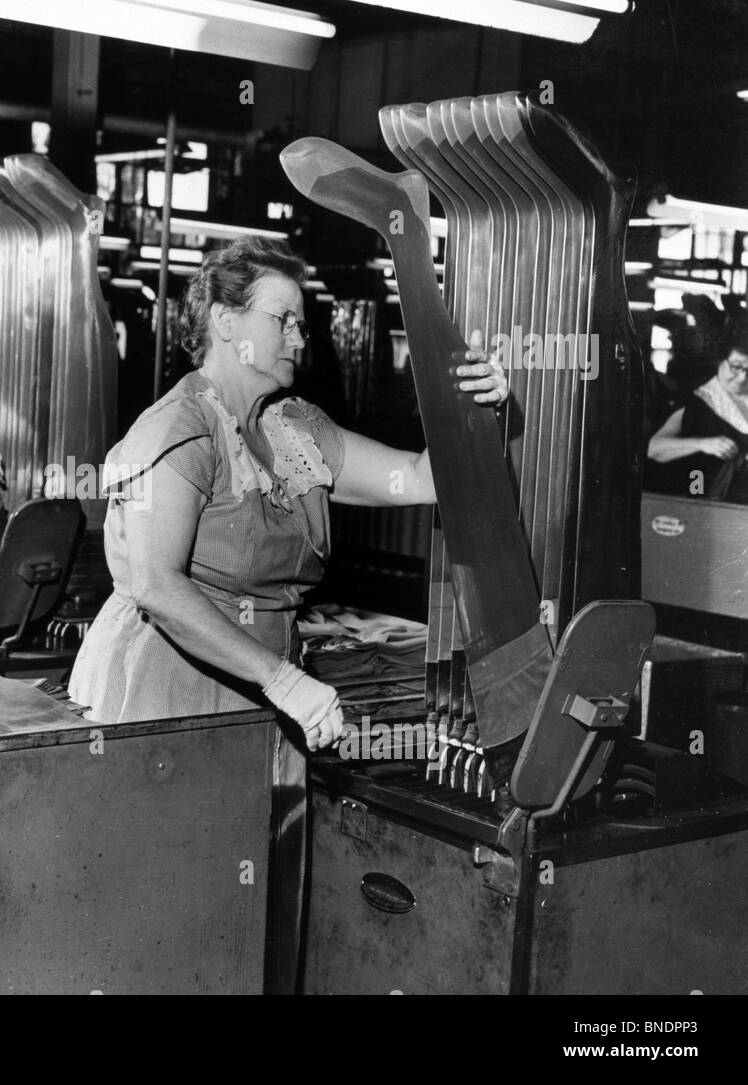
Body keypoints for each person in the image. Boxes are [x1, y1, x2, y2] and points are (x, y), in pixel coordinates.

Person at [67, 237, 506, 991]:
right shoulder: (176, 430)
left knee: (257, 916)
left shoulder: (295, 431)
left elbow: (424, 478)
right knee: (169, 916)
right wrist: (283, 680)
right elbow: (156, 583)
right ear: (226, 322)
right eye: (285, 319)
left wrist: (483, 406)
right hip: (172, 687)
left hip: (268, 697)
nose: (302, 337)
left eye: (304, 322)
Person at [647, 324, 748, 503]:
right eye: (736, 366)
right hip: (707, 498)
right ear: (720, 361)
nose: (742, 377)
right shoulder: (696, 403)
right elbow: (655, 448)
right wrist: (702, 444)